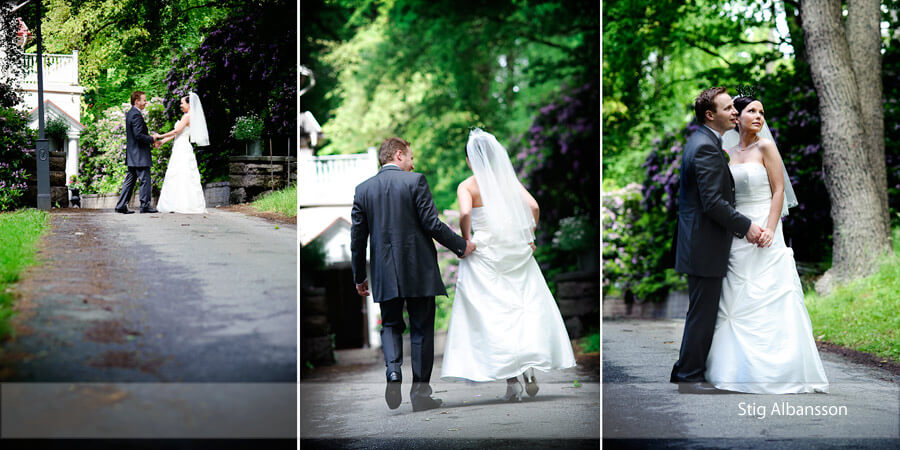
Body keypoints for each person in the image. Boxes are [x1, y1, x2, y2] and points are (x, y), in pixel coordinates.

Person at [440, 128, 576, 402]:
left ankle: (513, 381)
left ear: (469, 161)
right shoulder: (507, 181)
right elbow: (534, 207)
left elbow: (465, 212)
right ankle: (528, 367)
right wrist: (529, 234)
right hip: (515, 250)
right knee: (523, 306)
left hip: (486, 254)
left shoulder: (467, 186)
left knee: (495, 314)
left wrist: (466, 240)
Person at [705, 95, 828, 394]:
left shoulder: (766, 147)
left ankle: (782, 370)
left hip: (767, 224)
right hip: (738, 230)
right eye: (751, 111)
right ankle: (735, 370)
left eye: (762, 111)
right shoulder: (726, 152)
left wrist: (771, 229)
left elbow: (778, 190)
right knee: (735, 300)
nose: (759, 116)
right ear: (738, 116)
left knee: (774, 293)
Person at [350, 137, 476, 412]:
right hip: (418, 268)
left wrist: (360, 276)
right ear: (398, 155)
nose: (413, 162)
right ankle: (420, 395)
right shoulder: (415, 182)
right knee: (421, 330)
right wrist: (461, 245)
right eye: (410, 156)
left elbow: (358, 239)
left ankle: (393, 371)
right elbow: (432, 224)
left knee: (391, 325)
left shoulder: (363, 190)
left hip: (384, 271)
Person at [670, 87, 765, 394]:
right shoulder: (706, 147)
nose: (735, 112)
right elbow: (712, 202)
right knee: (703, 312)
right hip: (704, 243)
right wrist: (747, 226)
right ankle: (689, 378)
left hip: (699, 241)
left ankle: (685, 370)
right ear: (711, 115)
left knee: (701, 310)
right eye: (728, 109)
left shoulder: (703, 141)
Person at [154, 92, 210, 214]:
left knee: (182, 173)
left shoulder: (187, 117)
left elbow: (177, 130)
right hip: (179, 146)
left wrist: (159, 136)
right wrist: (163, 141)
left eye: (182, 103)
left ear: (189, 104)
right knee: (177, 173)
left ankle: (183, 204)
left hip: (182, 148)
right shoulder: (187, 116)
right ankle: (176, 202)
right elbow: (177, 134)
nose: (180, 105)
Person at [114, 91, 159, 214]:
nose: (146, 102)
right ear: (136, 101)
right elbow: (139, 135)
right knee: (145, 180)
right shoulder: (135, 114)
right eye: (144, 100)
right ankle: (144, 206)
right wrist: (152, 139)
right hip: (139, 154)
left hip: (133, 154)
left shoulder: (131, 113)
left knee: (130, 181)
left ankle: (121, 205)